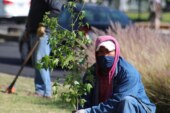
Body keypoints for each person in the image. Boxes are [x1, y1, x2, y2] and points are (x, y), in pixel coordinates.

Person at [76, 35, 156, 113]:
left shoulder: (128, 74)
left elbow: (117, 101)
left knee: (126, 101)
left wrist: (89, 111)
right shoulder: (91, 73)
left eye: (108, 51)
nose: (105, 55)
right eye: (101, 52)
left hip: (136, 109)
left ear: (116, 52)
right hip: (105, 109)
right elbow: (84, 100)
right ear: (96, 54)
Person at [25, 0, 63, 98]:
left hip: (44, 33)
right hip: (34, 32)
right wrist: (27, 28)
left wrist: (44, 25)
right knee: (36, 62)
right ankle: (39, 91)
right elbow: (32, 12)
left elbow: (56, 9)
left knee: (41, 61)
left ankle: (47, 92)